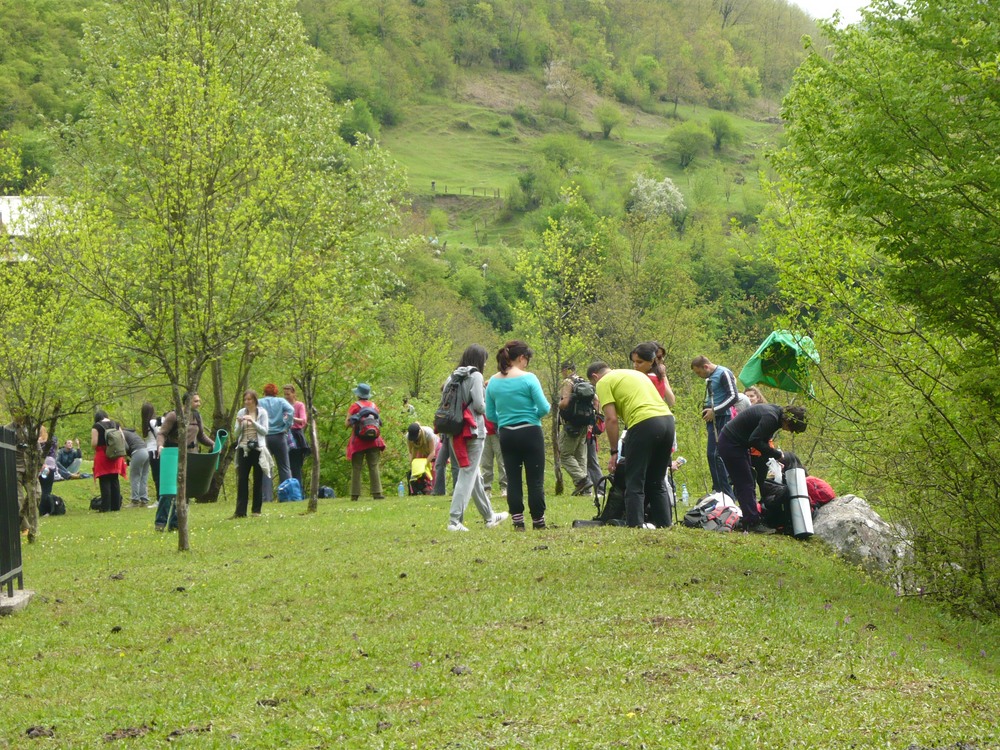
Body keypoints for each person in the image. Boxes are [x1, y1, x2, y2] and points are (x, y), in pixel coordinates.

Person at [587, 362, 675, 528]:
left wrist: (614, 452)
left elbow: (611, 419)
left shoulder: (603, 383)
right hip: (668, 421)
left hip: (643, 423)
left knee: (635, 479)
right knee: (657, 480)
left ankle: (635, 526)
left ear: (595, 377)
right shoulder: (635, 373)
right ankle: (665, 525)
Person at [485, 340, 550, 531]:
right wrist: (531, 416)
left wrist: (505, 419)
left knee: (513, 478)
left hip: (507, 434)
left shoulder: (493, 382)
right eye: (526, 360)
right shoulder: (529, 378)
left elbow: (490, 415)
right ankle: (538, 521)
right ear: (522, 357)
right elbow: (544, 408)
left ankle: (517, 521)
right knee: (535, 479)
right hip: (530, 432)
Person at [444, 344, 509, 532]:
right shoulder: (476, 376)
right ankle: (454, 521)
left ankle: (489, 516)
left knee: (474, 475)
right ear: (480, 360)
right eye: (485, 360)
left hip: (454, 431)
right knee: (467, 474)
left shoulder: (452, 376)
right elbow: (480, 405)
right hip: (473, 431)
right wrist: (494, 411)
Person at [717, 403, 808, 534]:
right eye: (793, 428)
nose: (791, 431)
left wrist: (774, 459)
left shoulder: (775, 413)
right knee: (745, 483)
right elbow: (755, 440)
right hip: (731, 444)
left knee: (749, 480)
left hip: (738, 444)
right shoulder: (771, 417)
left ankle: (752, 517)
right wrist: (777, 454)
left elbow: (761, 440)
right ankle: (752, 522)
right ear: (789, 421)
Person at [155, 393, 214, 531]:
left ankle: (176, 525)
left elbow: (201, 436)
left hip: (192, 456)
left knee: (186, 490)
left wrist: (214, 444)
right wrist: (160, 446)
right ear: (187, 402)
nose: (199, 404)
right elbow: (161, 433)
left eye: (199, 401)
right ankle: (160, 524)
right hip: (173, 455)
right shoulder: (173, 416)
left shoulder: (197, 416)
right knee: (169, 492)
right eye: (196, 401)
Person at [691, 355, 739, 499]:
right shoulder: (710, 377)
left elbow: (733, 396)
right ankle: (718, 491)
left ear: (705, 366)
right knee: (711, 455)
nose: (699, 376)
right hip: (712, 420)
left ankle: (726, 494)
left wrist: (715, 410)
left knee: (717, 455)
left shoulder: (724, 373)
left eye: (699, 372)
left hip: (722, 417)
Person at [231, 389, 272, 518]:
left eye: (249, 399)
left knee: (258, 479)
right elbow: (236, 434)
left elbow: (264, 431)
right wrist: (239, 424)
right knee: (242, 479)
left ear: (255, 400)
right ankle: (240, 511)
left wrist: (253, 422)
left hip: (258, 449)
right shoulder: (241, 412)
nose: (247, 402)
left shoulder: (262, 413)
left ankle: (256, 510)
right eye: (245, 400)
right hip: (244, 449)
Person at [557, 361, 594, 496]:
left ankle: (582, 480)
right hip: (585, 423)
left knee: (565, 455)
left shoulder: (568, 382)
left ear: (566, 370)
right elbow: (596, 400)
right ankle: (586, 491)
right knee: (580, 456)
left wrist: (557, 405)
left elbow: (565, 402)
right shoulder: (583, 381)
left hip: (571, 424)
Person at [345, 382, 385, 501]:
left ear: (358, 394)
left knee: (357, 467)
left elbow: (346, 423)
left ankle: (355, 494)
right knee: (373, 466)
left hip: (358, 441)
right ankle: (377, 493)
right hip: (374, 440)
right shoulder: (374, 406)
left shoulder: (354, 406)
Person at [260, 383, 294, 497]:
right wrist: (286, 425)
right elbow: (291, 410)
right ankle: (287, 495)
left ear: (264, 392)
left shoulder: (260, 402)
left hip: (264, 437)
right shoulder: (280, 401)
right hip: (279, 436)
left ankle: (266, 497)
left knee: (266, 467)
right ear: (276, 392)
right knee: (284, 466)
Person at [91, 409, 126, 512]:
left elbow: (94, 443)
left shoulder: (96, 426)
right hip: (116, 454)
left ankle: (106, 507)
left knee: (104, 480)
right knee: (114, 479)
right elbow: (122, 438)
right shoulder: (116, 424)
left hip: (103, 454)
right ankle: (116, 506)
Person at [632, 343, 676, 407]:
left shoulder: (655, 377)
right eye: (659, 357)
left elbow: (671, 401)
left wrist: (663, 375)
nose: (662, 359)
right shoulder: (646, 377)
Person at [283, 384, 308, 487]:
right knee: (286, 465)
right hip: (285, 435)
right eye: (285, 394)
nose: (286, 397)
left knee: (296, 466)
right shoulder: (283, 405)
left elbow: (303, 420)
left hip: (296, 436)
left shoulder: (299, 405)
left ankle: (298, 491)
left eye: (288, 394)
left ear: (293, 394)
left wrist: (291, 418)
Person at [480, 408, 507, 499]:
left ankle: (505, 488)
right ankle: (486, 489)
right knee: (485, 463)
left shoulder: (495, 398)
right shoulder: (478, 399)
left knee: (502, 462)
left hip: (497, 434)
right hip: (484, 435)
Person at [123, 426, 150, 507]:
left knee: (134, 476)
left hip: (137, 452)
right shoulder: (132, 433)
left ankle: (135, 500)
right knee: (144, 477)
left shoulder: (122, 433)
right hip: (147, 451)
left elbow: (126, 447)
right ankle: (144, 499)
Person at [141, 403, 161, 500]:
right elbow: (160, 434)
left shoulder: (147, 423)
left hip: (151, 450)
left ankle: (159, 498)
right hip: (155, 450)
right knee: (157, 475)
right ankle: (159, 498)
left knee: (157, 475)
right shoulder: (153, 422)